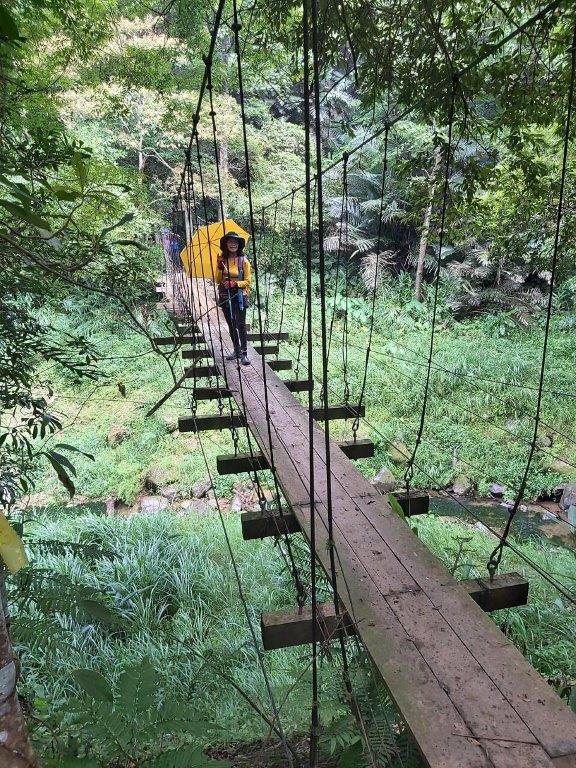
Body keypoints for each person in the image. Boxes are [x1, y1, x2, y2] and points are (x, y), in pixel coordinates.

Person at [216, 232, 252, 366]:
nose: (233, 244)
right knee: (231, 324)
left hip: (239, 296)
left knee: (240, 325)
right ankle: (236, 350)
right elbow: (218, 280)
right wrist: (220, 268)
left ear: (239, 245)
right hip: (225, 295)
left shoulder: (244, 261)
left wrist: (235, 283)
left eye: (235, 242)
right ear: (226, 244)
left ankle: (244, 354)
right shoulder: (222, 260)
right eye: (230, 242)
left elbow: (248, 281)